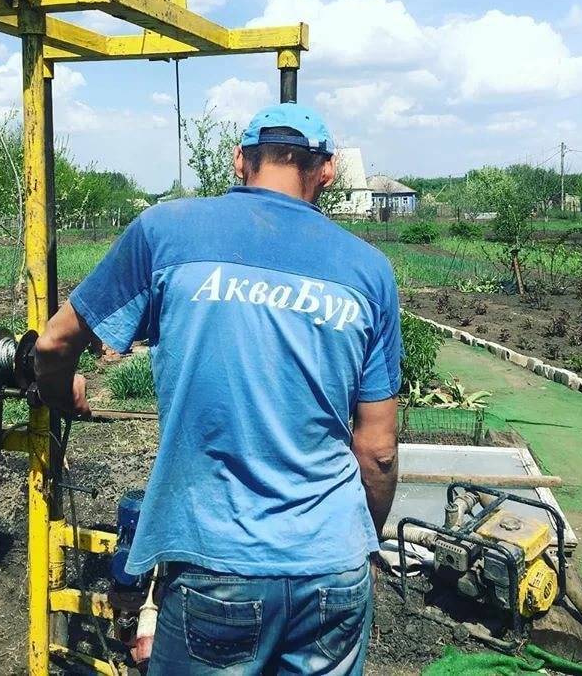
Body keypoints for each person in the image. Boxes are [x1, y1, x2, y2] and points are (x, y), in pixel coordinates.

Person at [35, 103, 401, 675]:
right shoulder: (368, 271)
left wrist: (62, 394)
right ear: (326, 171)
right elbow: (377, 450)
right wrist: (357, 544)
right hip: (333, 567)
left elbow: (55, 344)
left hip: (218, 567)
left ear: (238, 161)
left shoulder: (166, 232)